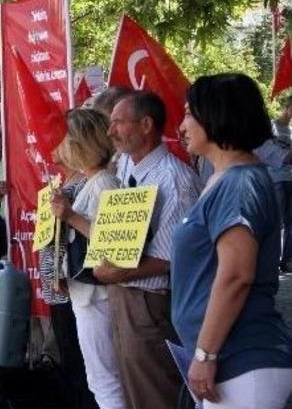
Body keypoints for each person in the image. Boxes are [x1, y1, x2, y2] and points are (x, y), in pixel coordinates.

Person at [173, 73, 292, 408]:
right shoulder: (226, 179)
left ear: (216, 114)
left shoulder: (240, 183)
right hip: (230, 363)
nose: (181, 126)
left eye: (188, 114)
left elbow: (236, 275)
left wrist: (205, 354)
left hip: (242, 359)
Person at [98, 91, 201, 409]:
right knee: (133, 391)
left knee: (155, 393)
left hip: (150, 304)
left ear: (145, 125)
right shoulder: (126, 163)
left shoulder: (176, 180)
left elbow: (180, 256)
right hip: (123, 297)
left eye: (117, 123)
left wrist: (118, 271)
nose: (110, 131)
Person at [50, 109, 125, 409]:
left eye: (70, 138)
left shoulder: (106, 183)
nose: (64, 145)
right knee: (101, 378)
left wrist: (71, 216)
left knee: (105, 379)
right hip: (87, 293)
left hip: (98, 295)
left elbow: (114, 241)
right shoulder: (96, 181)